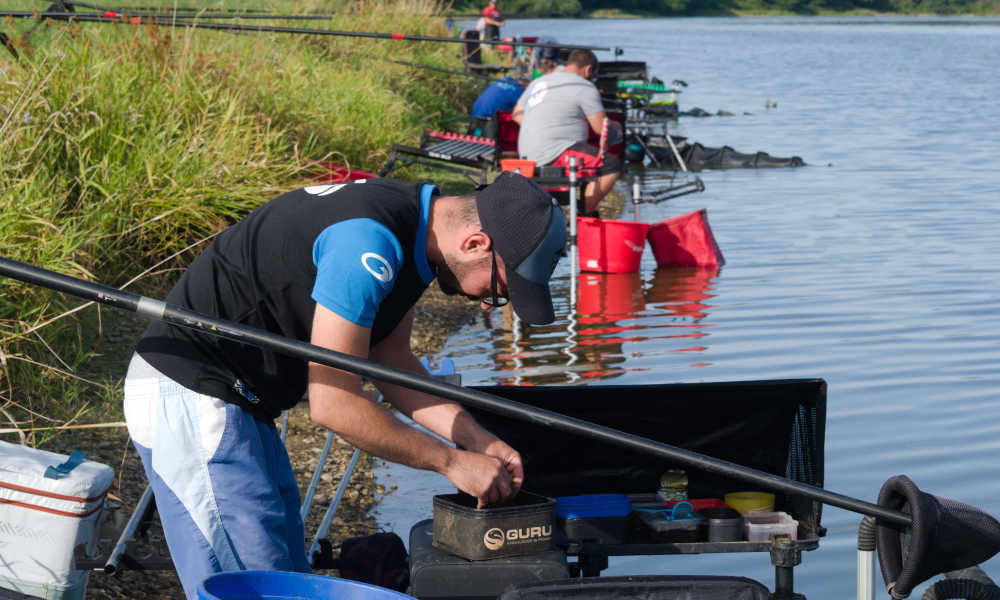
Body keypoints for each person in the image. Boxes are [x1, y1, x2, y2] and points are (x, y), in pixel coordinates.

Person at [123, 173, 568, 598]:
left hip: (245, 406)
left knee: (287, 575)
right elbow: (333, 404)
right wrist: (451, 463)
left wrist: (477, 439)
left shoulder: (416, 225)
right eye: (497, 290)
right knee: (255, 588)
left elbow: (392, 362)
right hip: (192, 397)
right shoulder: (368, 243)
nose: (487, 300)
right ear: (475, 244)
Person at [512, 49, 622, 217]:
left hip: (526, 155)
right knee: (611, 165)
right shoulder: (584, 86)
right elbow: (601, 129)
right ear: (588, 70)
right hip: (556, 153)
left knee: (589, 158)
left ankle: (579, 209)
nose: (592, 79)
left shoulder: (539, 82)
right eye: (593, 75)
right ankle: (586, 214)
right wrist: (617, 129)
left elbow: (517, 114)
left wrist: (543, 126)